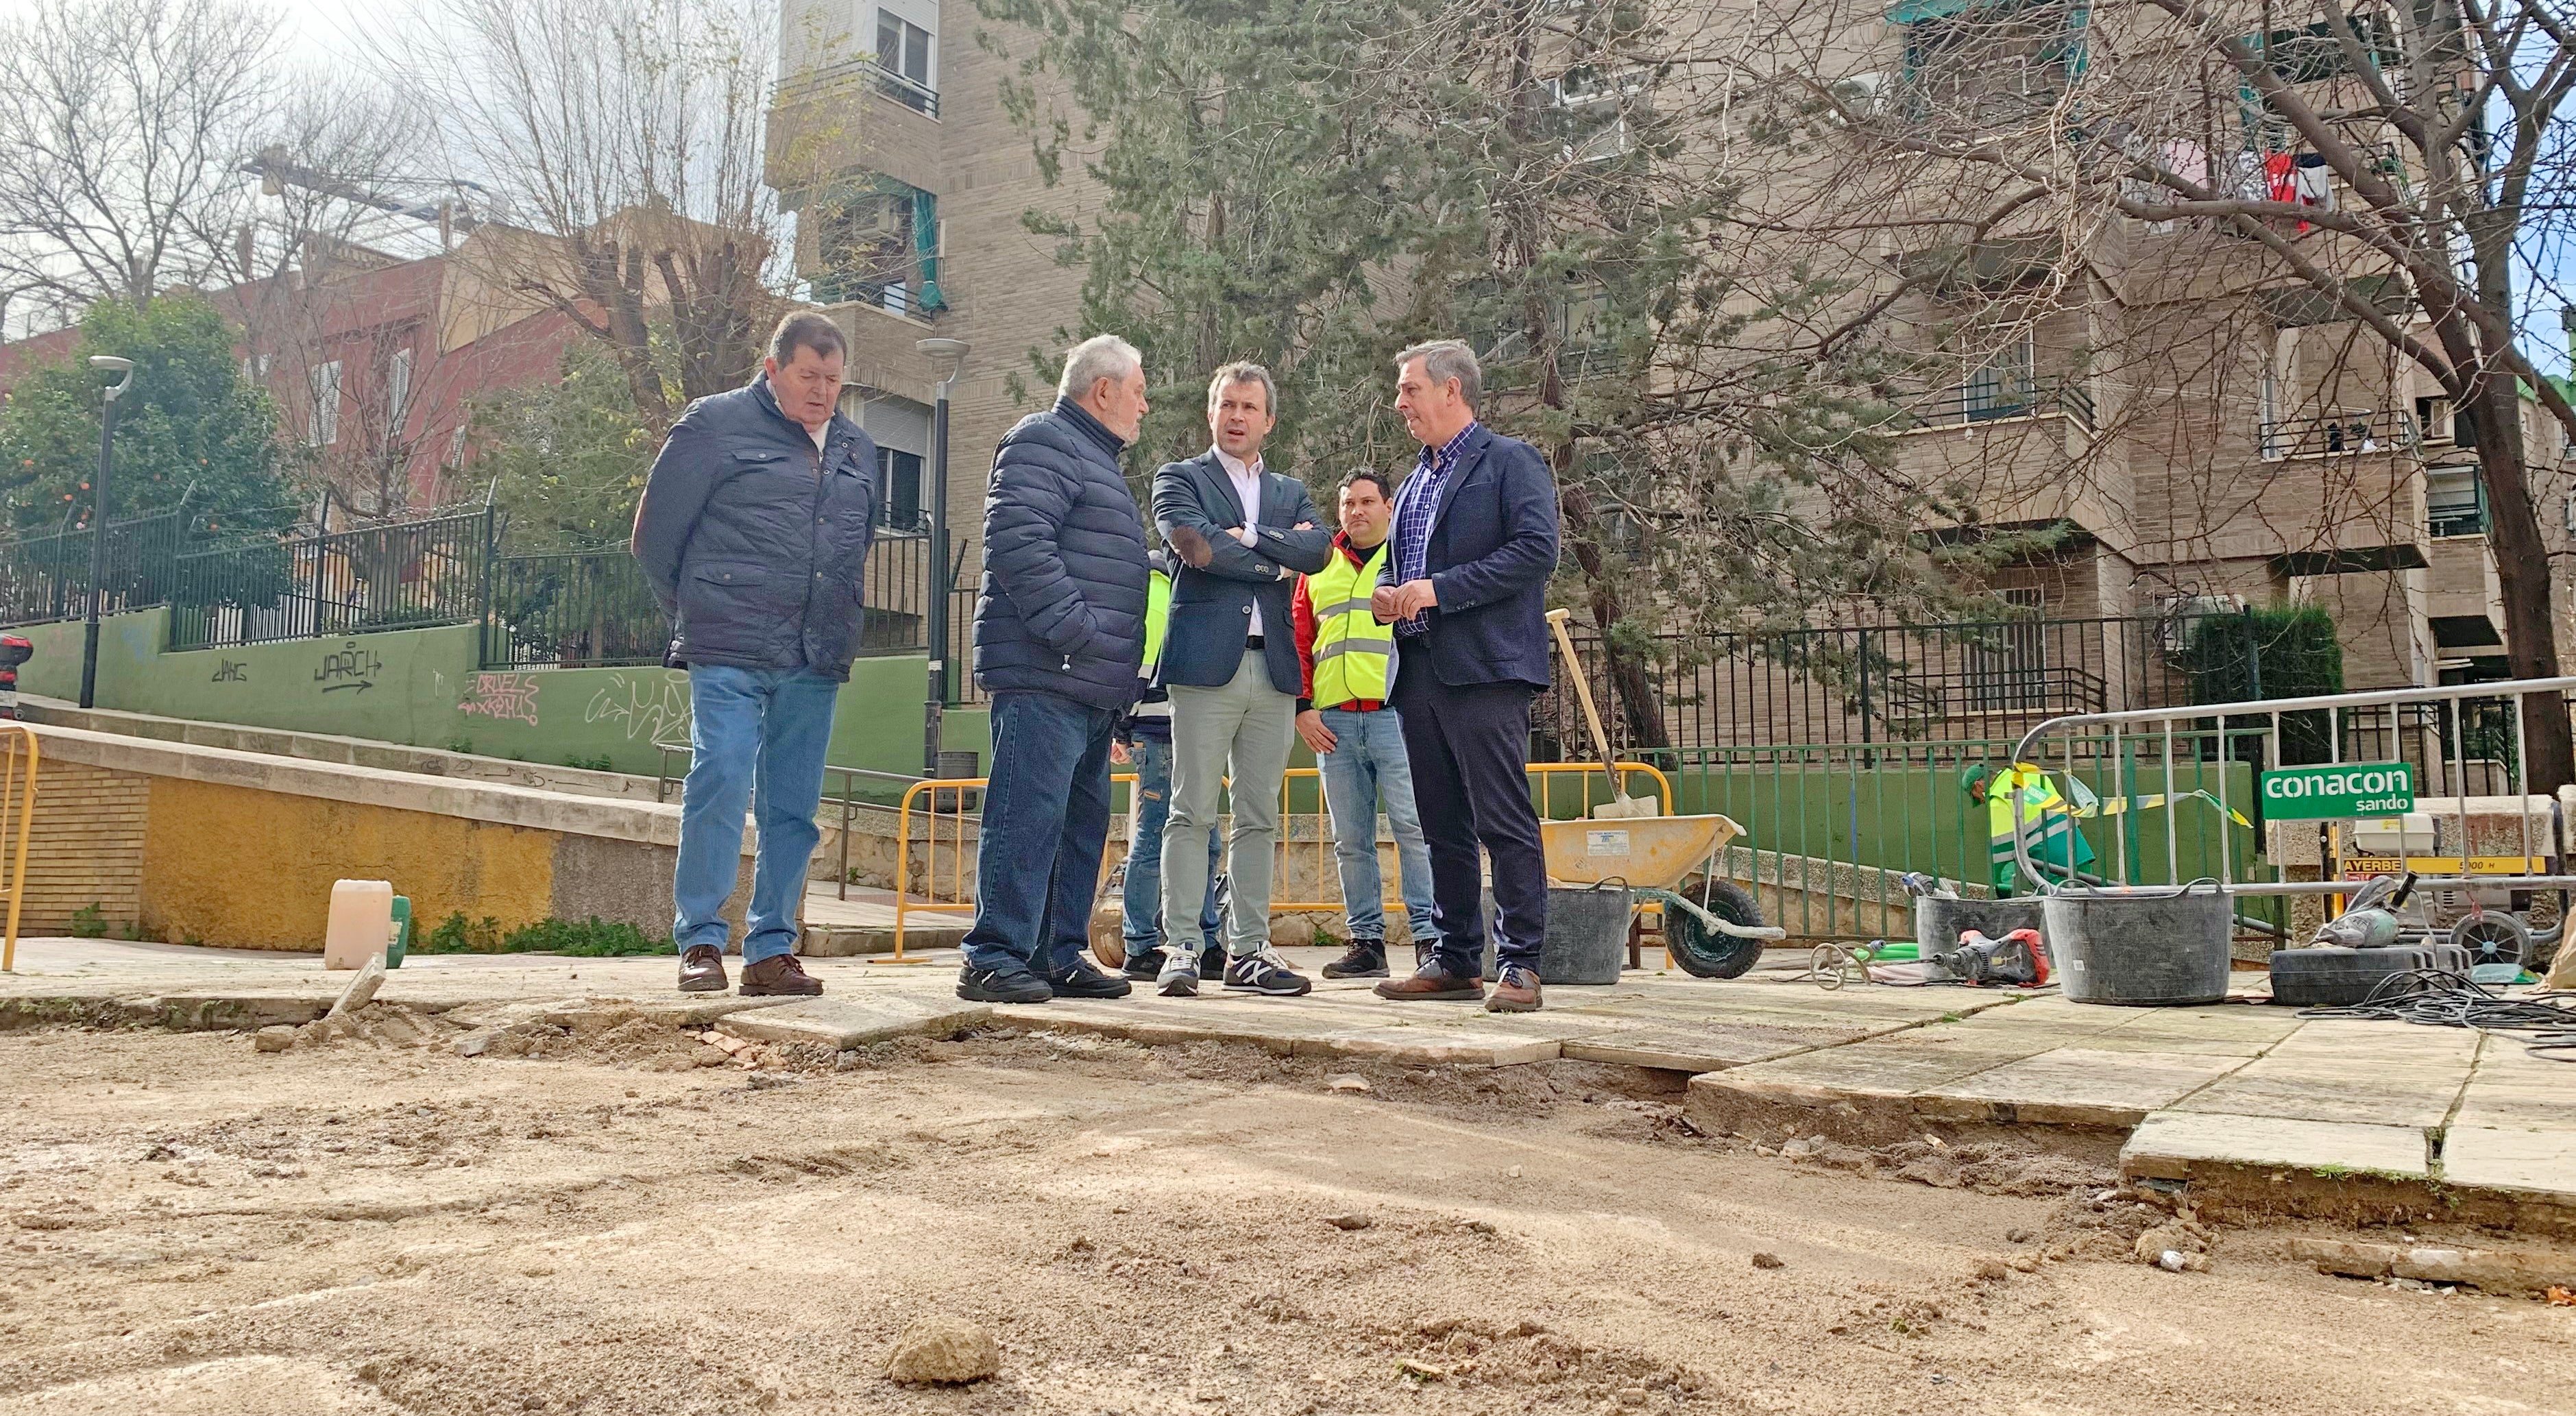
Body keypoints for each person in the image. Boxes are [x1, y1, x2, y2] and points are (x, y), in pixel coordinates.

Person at [633, 310, 879, 998]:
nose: (822, 391)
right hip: (729, 644)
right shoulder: (712, 425)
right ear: (772, 369)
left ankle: (772, 949)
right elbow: (655, 539)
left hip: (815, 650)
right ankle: (702, 942)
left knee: (794, 805)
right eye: (809, 375)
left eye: (833, 379)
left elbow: (851, 550)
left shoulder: (859, 450)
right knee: (720, 777)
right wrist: (696, 614)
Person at [954, 335, 1154, 1004]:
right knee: (1025, 816)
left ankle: (1055, 951)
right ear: (1103, 390)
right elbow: (1016, 543)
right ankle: (994, 955)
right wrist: (1078, 633)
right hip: (1048, 673)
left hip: (1092, 685)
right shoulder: (1042, 440)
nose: (1145, 406)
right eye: (1138, 390)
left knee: (1076, 824)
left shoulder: (1094, 459)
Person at [1368, 340, 1561, 1013]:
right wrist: (1390, 590)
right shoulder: (1415, 478)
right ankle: (1453, 959)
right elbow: (1402, 563)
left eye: (1409, 389)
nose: (1399, 403)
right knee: (1439, 823)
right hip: (1417, 670)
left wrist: (1436, 590)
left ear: (1451, 390)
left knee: (1501, 818)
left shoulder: (1510, 461)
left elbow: (1536, 550)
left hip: (1484, 669)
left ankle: (1519, 963)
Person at [1149, 362, 1333, 997]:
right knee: (1190, 810)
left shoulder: (1290, 489)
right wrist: (1275, 565)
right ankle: (1181, 948)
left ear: (1268, 421)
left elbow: (1320, 553)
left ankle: (1249, 951)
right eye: (1227, 405)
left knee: (1259, 816)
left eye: (1249, 408)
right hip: (1205, 668)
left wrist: (1250, 538)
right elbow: (1194, 546)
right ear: (1210, 413)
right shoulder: (1179, 478)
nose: (1236, 417)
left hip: (1275, 670)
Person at [1293, 470, 1442, 979]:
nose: (1356, 511)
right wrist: (1302, 706)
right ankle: (1367, 944)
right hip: (1333, 723)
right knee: (1350, 838)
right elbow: (1300, 638)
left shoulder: (1406, 559)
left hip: (1395, 717)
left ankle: (1430, 939)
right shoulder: (1318, 564)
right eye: (1347, 503)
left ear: (1389, 505)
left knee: (1414, 829)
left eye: (1366, 502)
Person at [1112, 546, 1224, 983]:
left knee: (1193, 837)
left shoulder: (1156, 589)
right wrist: (1124, 729)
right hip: (1165, 731)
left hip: (1172, 729)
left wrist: (1123, 730)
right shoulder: (1162, 591)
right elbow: (1140, 667)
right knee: (1172, 835)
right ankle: (1145, 943)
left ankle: (1195, 940)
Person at [1964, 762, 2095, 895]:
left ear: (1979, 785)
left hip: (2053, 869)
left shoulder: (1998, 800)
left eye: (1975, 796)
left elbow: (2003, 855)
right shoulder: (2030, 776)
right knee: (2085, 906)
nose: (1981, 801)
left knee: (2053, 912)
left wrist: (2004, 892)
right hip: (2079, 853)